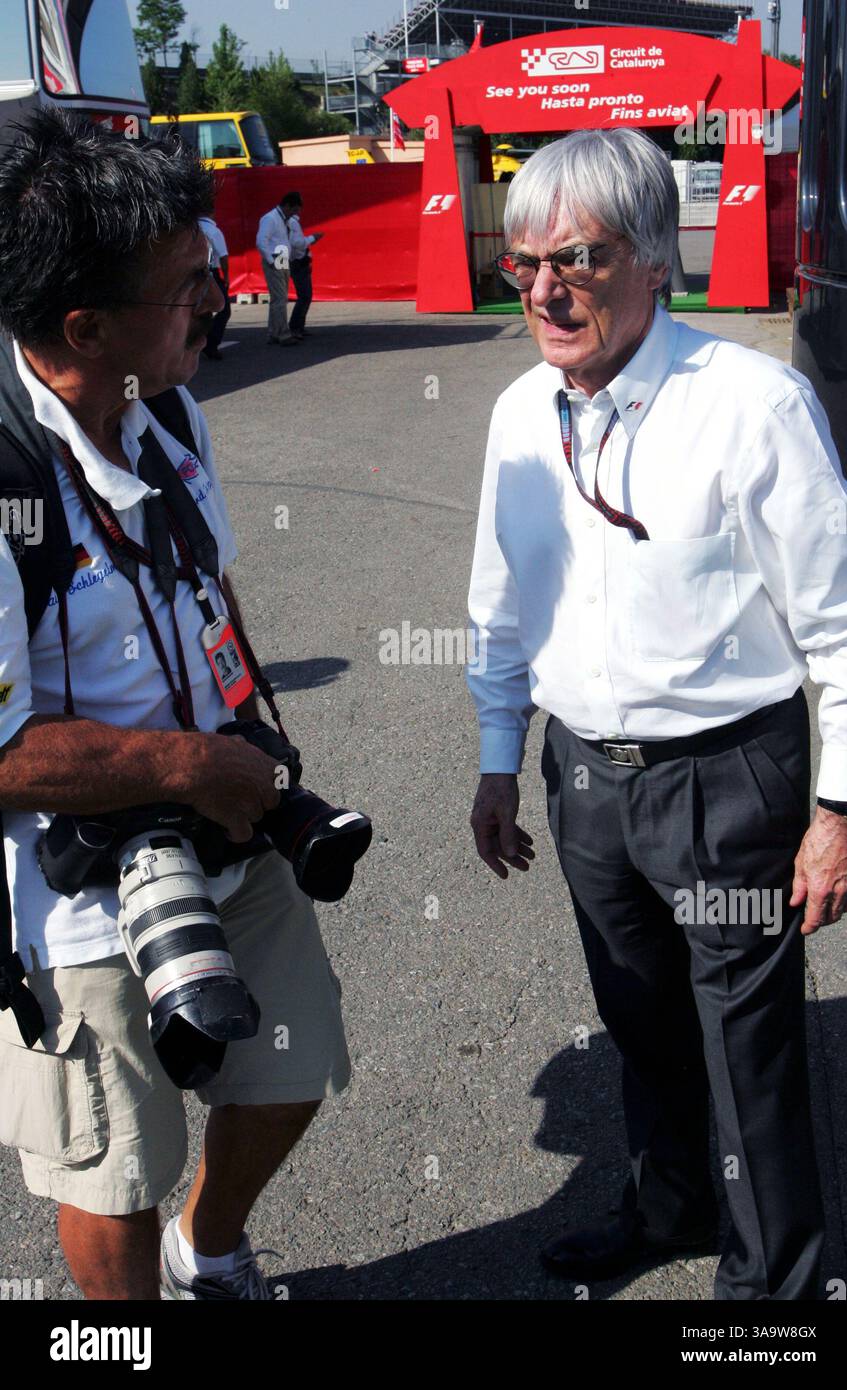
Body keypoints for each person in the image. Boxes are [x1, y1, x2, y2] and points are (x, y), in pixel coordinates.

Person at [466, 128, 847, 1301]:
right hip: (583, 777)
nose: (544, 291)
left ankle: (769, 1294)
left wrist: (839, 808)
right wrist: (498, 759)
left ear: (653, 258)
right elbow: (498, 601)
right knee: (636, 1017)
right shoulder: (517, 413)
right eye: (524, 262)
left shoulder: (750, 405)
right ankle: (670, 1204)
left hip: (725, 778)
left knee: (746, 1046)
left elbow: (846, 623)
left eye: (577, 259)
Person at [0, 110, 350, 1301]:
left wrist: (253, 734)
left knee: (292, 1063)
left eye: (212, 268)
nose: (217, 298)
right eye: (187, 285)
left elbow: (207, 575)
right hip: (82, 892)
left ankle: (211, 1245)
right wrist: (186, 767)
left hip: (229, 819)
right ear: (84, 327)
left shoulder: (165, 405)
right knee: (116, 1170)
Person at [255, 192, 323, 346]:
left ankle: (274, 332)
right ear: (287, 206)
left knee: (278, 298)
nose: (295, 214)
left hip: (281, 257)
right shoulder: (271, 218)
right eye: (294, 210)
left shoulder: (281, 219)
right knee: (280, 298)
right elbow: (261, 241)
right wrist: (271, 260)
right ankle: (283, 334)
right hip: (276, 257)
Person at [198, 213, 231, 360]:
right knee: (224, 309)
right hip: (211, 273)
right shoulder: (213, 231)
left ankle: (193, 342)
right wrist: (226, 276)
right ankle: (211, 343)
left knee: (197, 310)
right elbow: (223, 256)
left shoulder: (192, 228)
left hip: (192, 273)